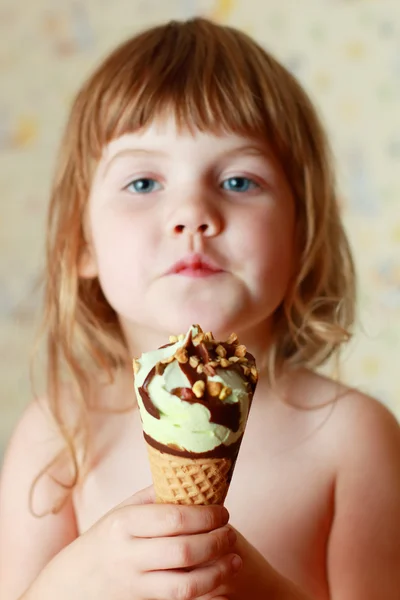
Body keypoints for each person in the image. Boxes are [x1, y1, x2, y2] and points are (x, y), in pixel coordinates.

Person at [1, 17, 399, 600]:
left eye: (239, 181)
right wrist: (78, 579)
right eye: (143, 183)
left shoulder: (351, 438)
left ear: (302, 232)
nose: (192, 212)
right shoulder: (58, 433)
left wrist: (253, 585)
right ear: (81, 243)